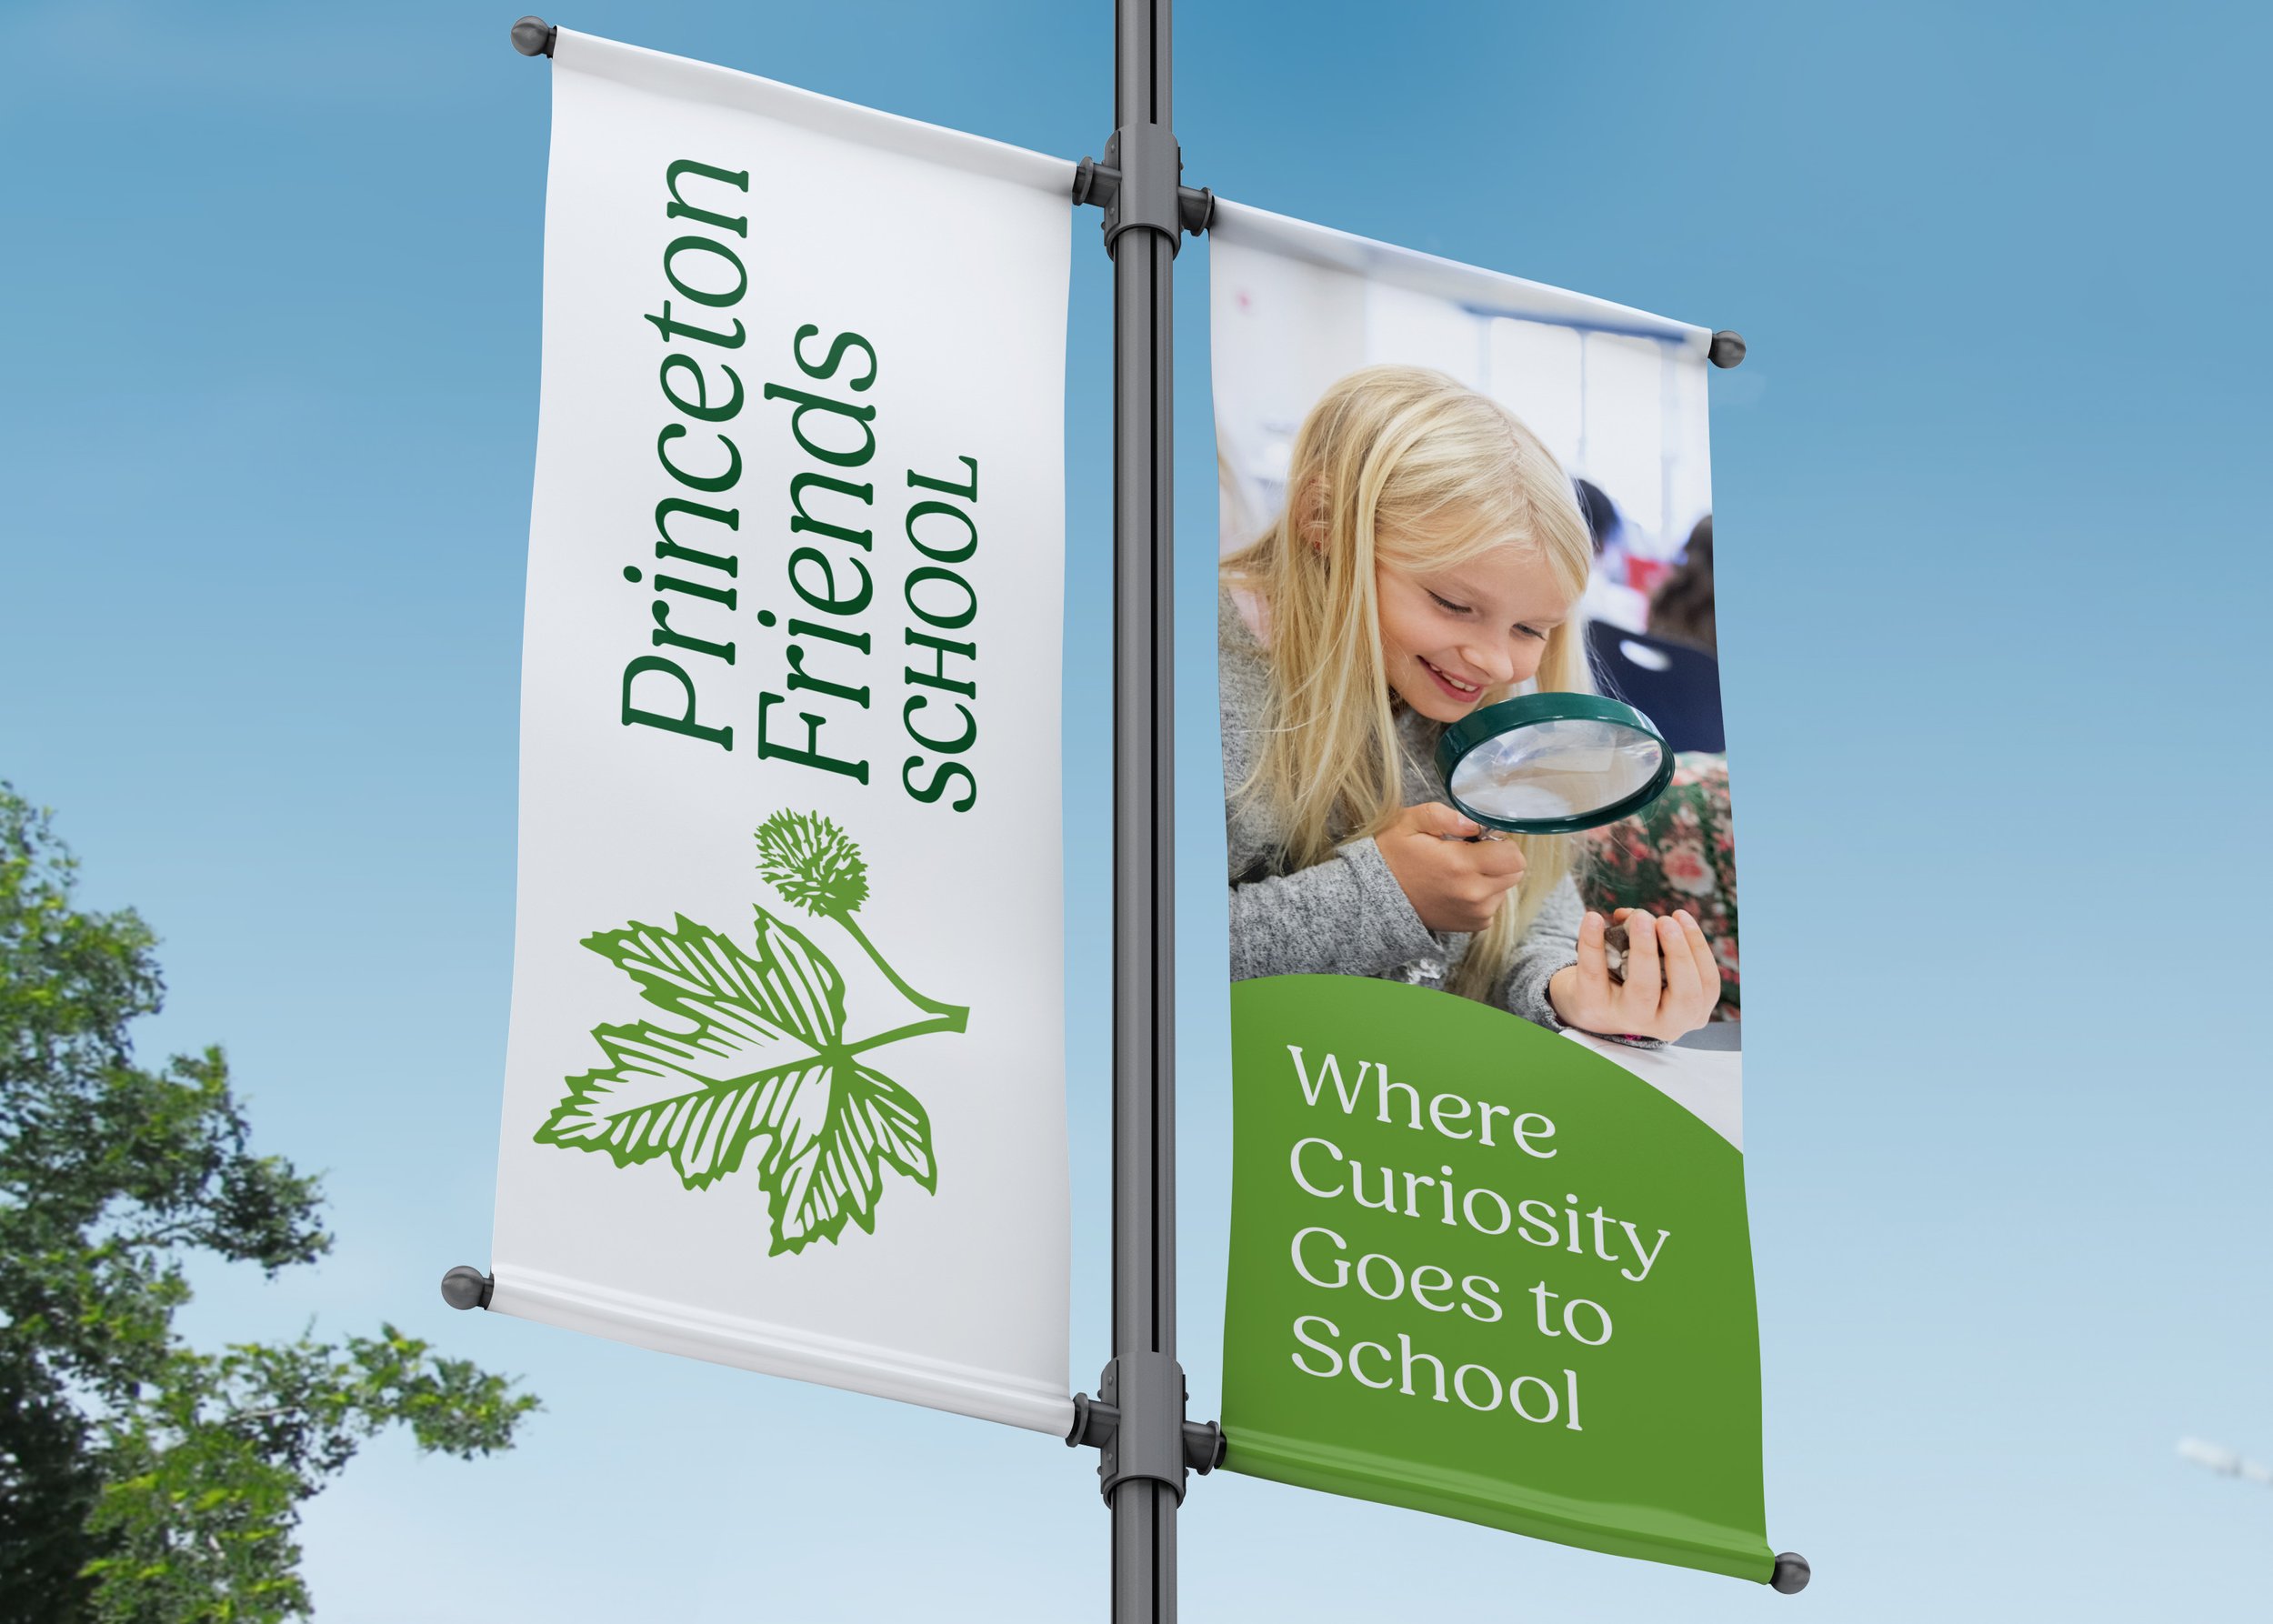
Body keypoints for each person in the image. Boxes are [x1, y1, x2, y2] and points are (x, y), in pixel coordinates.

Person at [1218, 364, 1718, 1044]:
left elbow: (1531, 908)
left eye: (1530, 630)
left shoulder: (1470, 697)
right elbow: (1133, 954)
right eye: (1453, 605)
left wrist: (1567, 986)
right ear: (1324, 523)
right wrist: (1382, 897)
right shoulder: (1196, 679)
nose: (1494, 662)